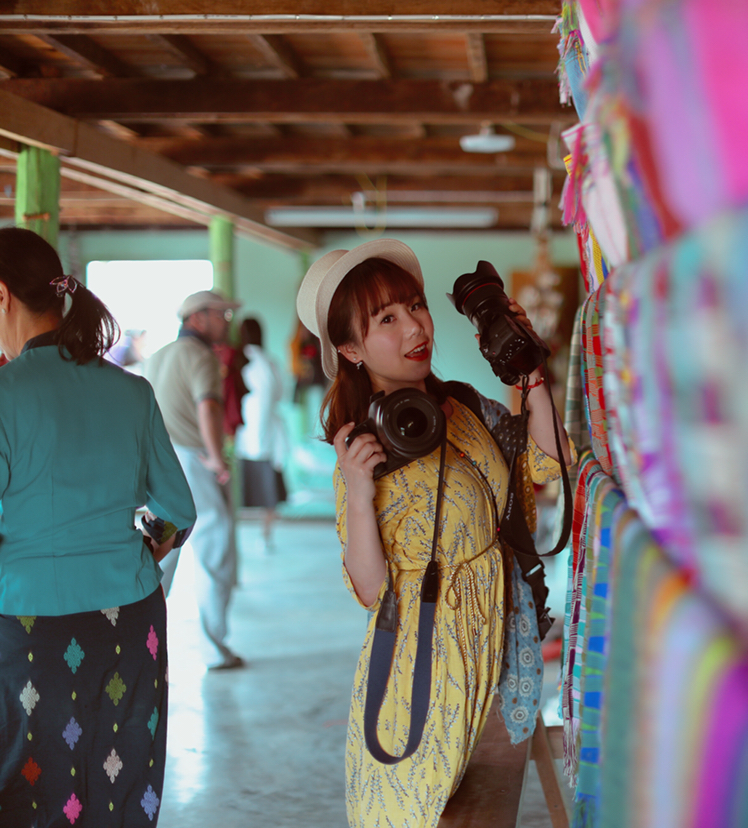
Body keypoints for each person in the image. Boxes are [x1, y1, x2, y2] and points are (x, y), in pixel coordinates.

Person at [296, 239, 573, 826]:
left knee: (486, 813)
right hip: (426, 667)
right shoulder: (363, 451)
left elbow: (549, 463)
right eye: (386, 319)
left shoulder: (466, 407)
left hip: (502, 650)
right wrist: (358, 490)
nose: (415, 327)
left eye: (416, 306)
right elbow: (370, 589)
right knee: (417, 813)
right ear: (349, 349)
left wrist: (532, 374)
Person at [0, 227, 197, 826]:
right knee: (121, 780)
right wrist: (136, 552)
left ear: (1, 295)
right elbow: (178, 511)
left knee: (27, 787)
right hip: (129, 620)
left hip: (24, 624)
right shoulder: (131, 391)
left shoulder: (5, 392)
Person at [143, 288, 245, 670]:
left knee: (160, 552)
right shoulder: (201, 356)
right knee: (214, 551)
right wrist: (217, 459)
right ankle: (214, 648)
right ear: (197, 317)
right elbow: (209, 407)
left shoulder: (158, 356)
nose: (227, 322)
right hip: (191, 460)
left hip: (158, 462)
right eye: (222, 314)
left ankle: (141, 642)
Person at [234, 316, 288, 551]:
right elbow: (281, 394)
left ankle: (236, 541)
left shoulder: (235, 362)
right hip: (268, 437)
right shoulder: (270, 362)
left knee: (238, 489)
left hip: (242, 434)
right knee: (269, 492)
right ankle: (265, 537)